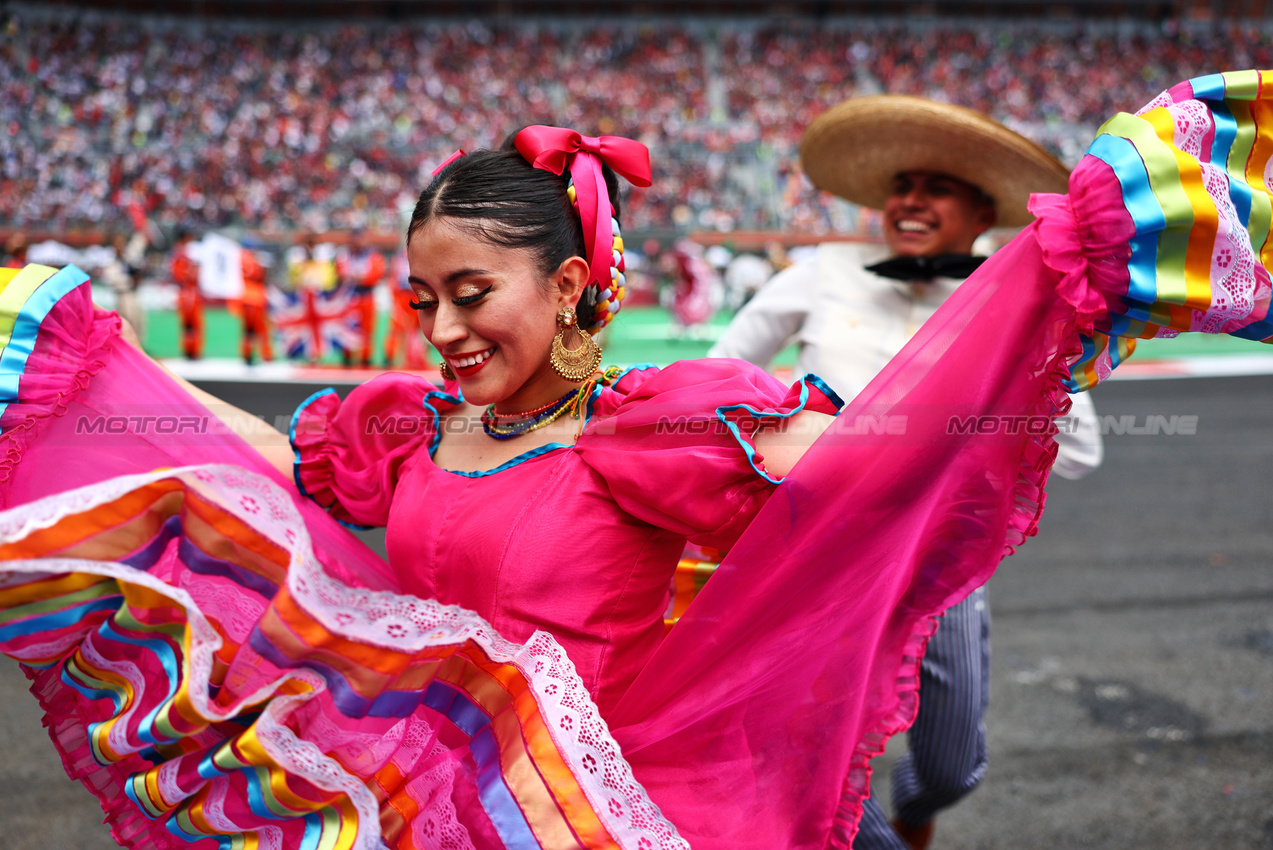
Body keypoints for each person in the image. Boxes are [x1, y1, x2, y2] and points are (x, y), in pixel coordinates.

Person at [0, 74, 1270, 850]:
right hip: (438, 796)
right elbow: (274, 456)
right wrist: (84, 353)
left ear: (565, 288)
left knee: (947, 764)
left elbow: (873, 468)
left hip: (620, 804)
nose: (440, 329)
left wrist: (1044, 298)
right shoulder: (412, 423)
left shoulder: (650, 428)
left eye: (471, 293)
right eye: (423, 296)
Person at [710, 95, 1105, 850]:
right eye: (901, 186)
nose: (910, 201)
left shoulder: (1021, 294)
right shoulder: (827, 269)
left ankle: (909, 812)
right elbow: (722, 374)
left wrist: (1027, 380)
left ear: (981, 210)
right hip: (806, 553)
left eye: (936, 188)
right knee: (803, 754)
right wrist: (793, 432)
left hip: (938, 561)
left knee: (953, 768)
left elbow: (1078, 450)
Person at [335, 227, 386, 367]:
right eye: (356, 237)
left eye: (362, 237)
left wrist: (358, 278)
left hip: (366, 296)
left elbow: (375, 275)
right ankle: (347, 357)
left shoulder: (373, 254)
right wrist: (357, 277)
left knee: (367, 328)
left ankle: (365, 358)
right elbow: (340, 273)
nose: (359, 241)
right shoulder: (344, 254)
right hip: (349, 297)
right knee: (347, 328)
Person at [169, 226, 203, 360]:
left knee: (190, 325)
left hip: (187, 292)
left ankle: (191, 351)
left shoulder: (182, 252)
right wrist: (194, 270)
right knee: (191, 324)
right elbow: (181, 274)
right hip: (188, 292)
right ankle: (191, 352)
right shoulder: (182, 253)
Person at [236, 245, 273, 365]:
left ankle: (248, 355)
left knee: (248, 330)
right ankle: (264, 356)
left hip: (245, 297)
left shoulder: (239, 258)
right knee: (259, 329)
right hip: (254, 298)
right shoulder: (251, 260)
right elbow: (258, 276)